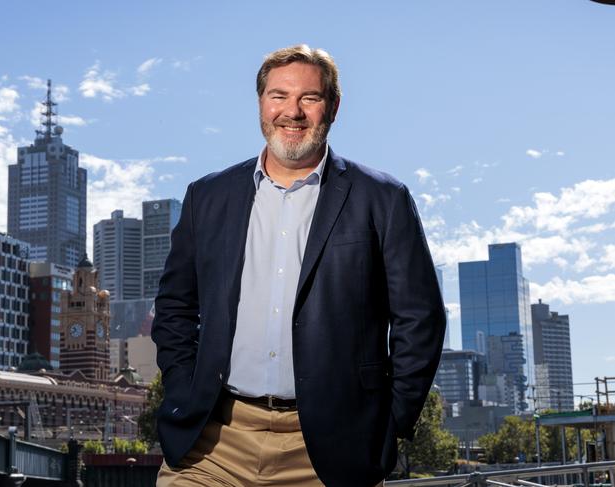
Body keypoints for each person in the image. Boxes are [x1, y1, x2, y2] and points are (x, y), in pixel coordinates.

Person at [152, 44, 446, 487]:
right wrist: (181, 386)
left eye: (309, 97)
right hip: (213, 444)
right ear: (260, 104)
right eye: (278, 96)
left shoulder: (382, 199)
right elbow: (175, 307)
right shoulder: (206, 197)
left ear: (333, 107)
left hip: (329, 451)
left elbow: (420, 320)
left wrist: (389, 423)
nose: (292, 111)